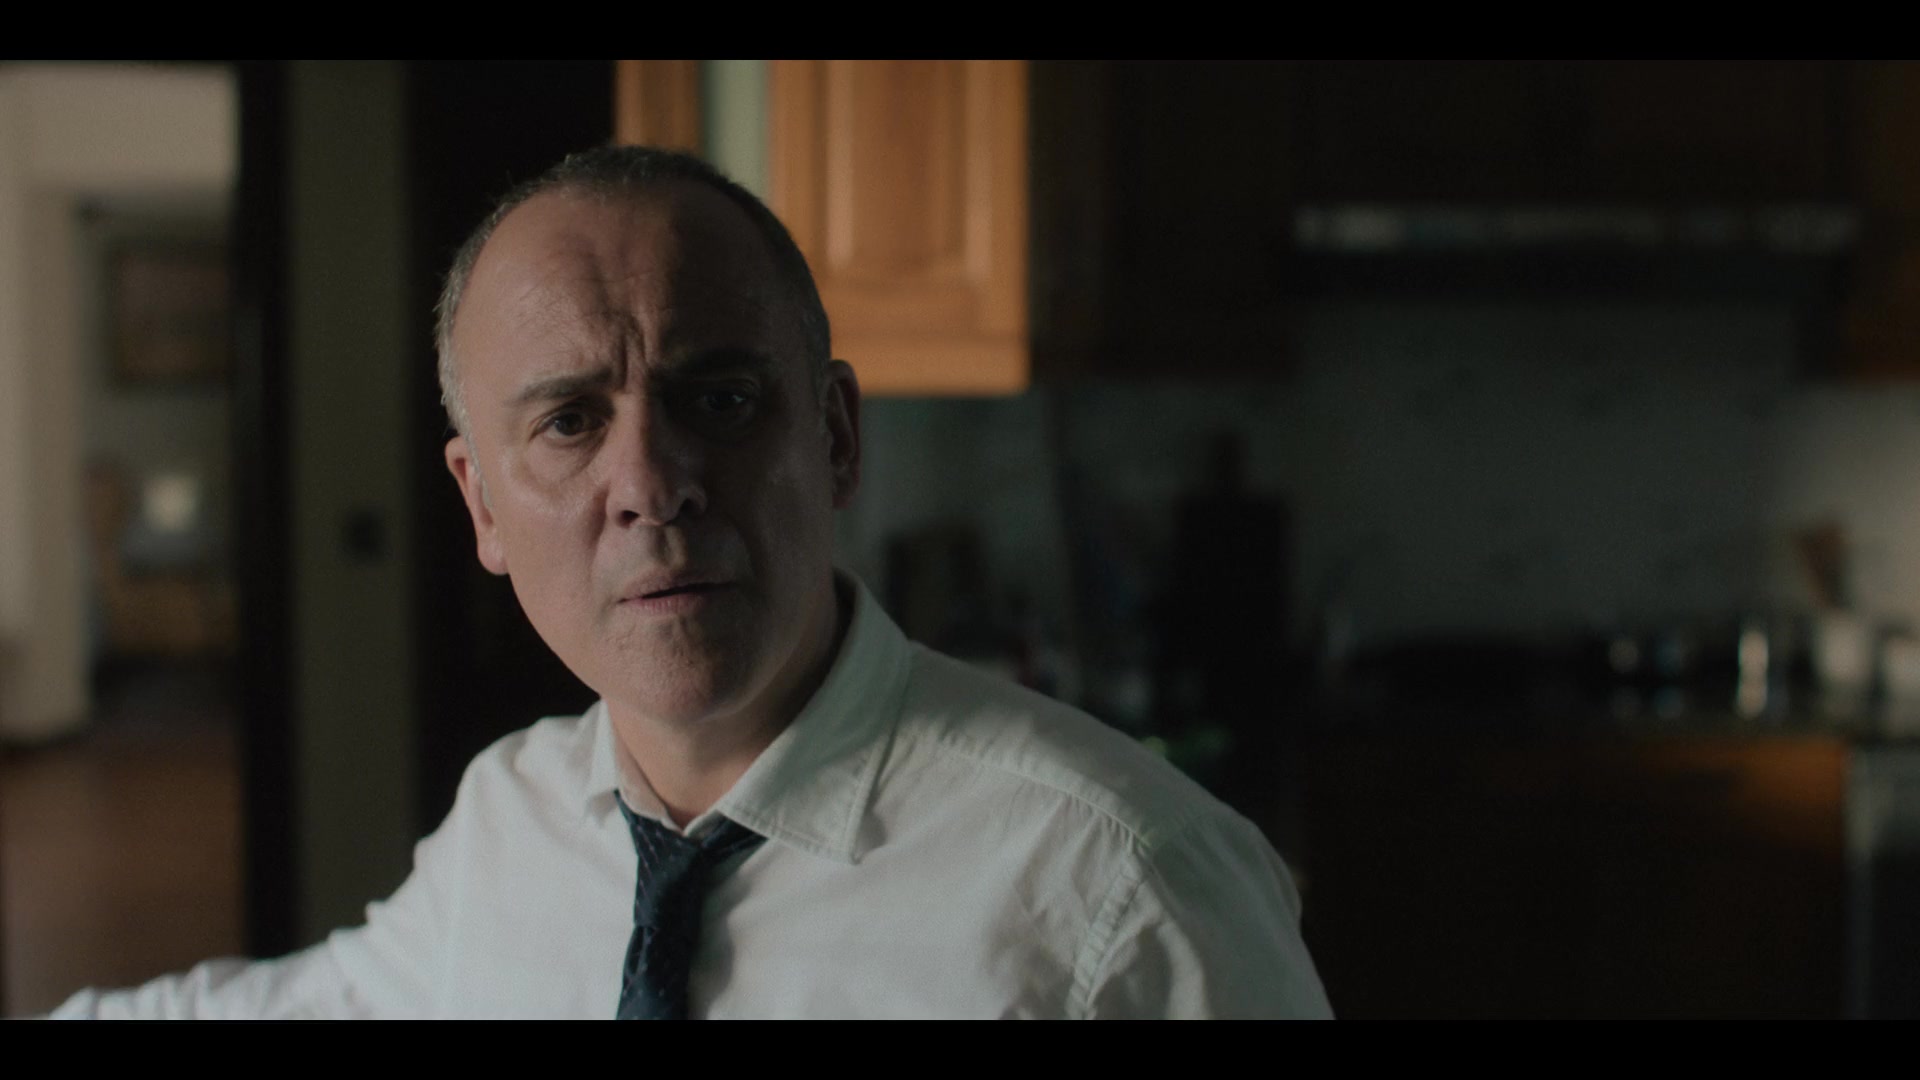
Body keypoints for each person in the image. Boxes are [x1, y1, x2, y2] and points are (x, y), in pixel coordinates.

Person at [47, 146, 1331, 1019]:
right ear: (482, 506)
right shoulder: (509, 823)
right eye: (567, 423)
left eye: (717, 400)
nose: (652, 484)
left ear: (835, 438)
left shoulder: (1126, 885)